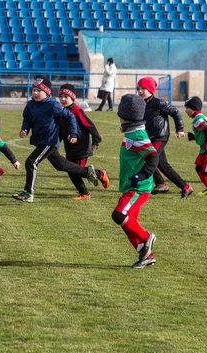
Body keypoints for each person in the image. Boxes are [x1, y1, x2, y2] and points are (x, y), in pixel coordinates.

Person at [13, 76, 109, 203]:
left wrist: (74, 133)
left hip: (49, 140)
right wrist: (25, 129)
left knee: (31, 162)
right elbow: (27, 119)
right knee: (61, 165)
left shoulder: (53, 104)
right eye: (33, 90)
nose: (35, 93)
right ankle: (95, 173)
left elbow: (70, 117)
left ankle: (28, 192)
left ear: (47, 92)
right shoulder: (30, 105)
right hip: (41, 140)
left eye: (38, 90)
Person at [112, 94, 159, 269]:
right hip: (130, 187)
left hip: (138, 188)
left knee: (119, 215)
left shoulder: (138, 134)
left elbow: (153, 157)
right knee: (128, 224)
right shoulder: (132, 132)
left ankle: (147, 238)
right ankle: (146, 255)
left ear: (126, 116)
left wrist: (141, 175)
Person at [137, 76, 194, 199]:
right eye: (138, 88)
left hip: (160, 136)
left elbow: (175, 112)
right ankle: (184, 187)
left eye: (143, 88)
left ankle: (160, 183)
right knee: (163, 166)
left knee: (149, 159)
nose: (140, 91)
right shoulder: (141, 103)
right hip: (149, 137)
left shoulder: (159, 103)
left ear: (151, 90)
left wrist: (180, 129)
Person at [58, 83, 105, 200]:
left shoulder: (77, 111)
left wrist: (96, 140)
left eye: (66, 97)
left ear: (72, 98)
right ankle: (84, 192)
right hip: (70, 149)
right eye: (61, 97)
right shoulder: (61, 112)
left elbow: (90, 126)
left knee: (79, 171)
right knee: (70, 170)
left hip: (81, 149)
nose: (63, 99)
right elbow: (60, 131)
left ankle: (99, 174)